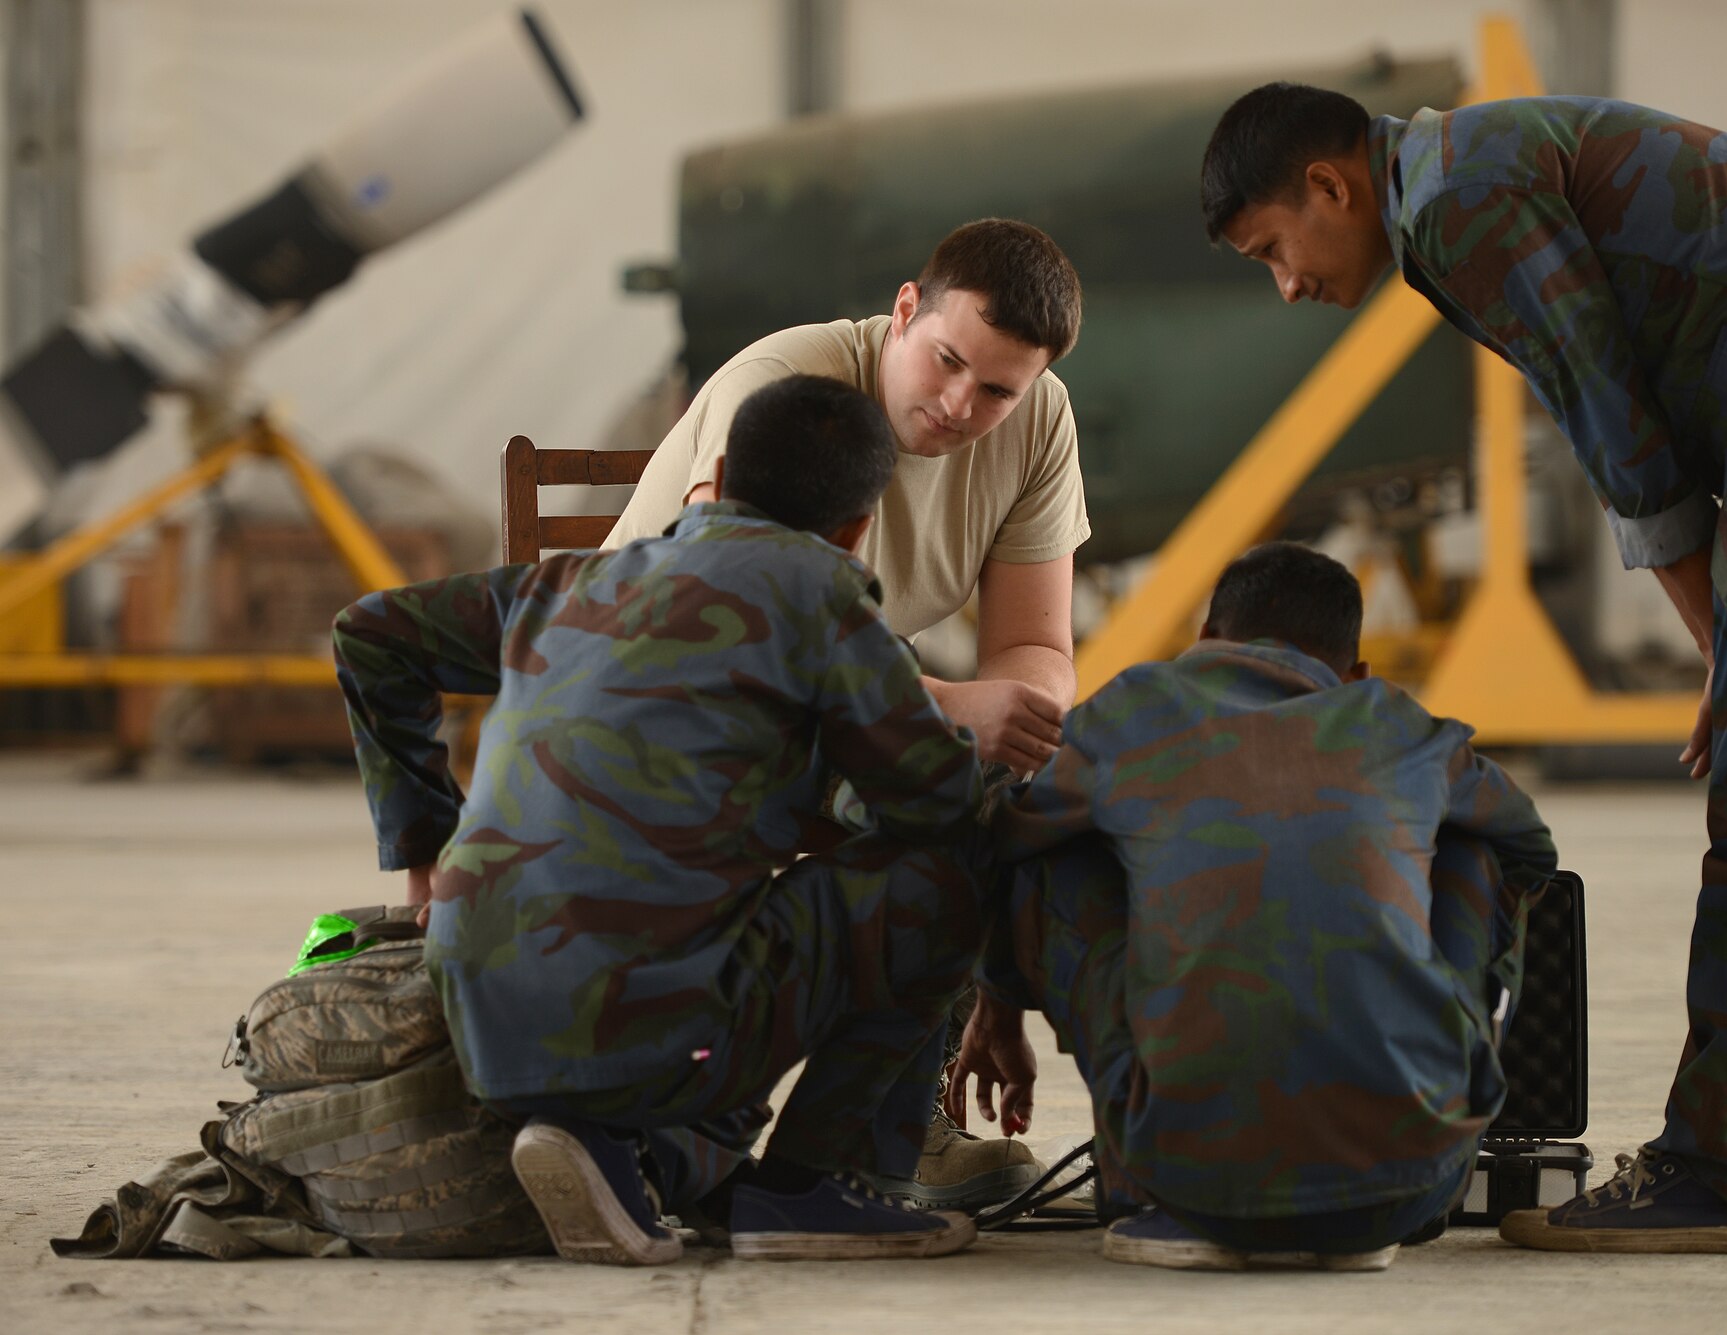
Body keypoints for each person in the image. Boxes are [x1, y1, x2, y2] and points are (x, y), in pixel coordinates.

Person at [1200, 85, 1727, 1253]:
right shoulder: (1462, 164)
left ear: (1329, 185)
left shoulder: (1455, 199)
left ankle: (1722, 1174)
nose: (1286, 285)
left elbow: (1608, 415)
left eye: (1272, 249)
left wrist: (1720, 638)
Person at [333, 374, 992, 1266]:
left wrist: (426, 847)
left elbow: (370, 633)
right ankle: (814, 1185)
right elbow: (938, 805)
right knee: (943, 885)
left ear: (710, 481)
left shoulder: (566, 582)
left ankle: (634, 1157)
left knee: (706, 930)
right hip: (651, 1030)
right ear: (856, 529)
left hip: (477, 1019)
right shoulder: (821, 591)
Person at [606, 216, 1087, 1208]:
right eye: (947, 361)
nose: (959, 405)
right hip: (687, 690)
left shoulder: (1039, 421)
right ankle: (758, 1144)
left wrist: (1016, 723)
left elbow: (1036, 646)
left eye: (997, 390)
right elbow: (744, 622)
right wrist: (945, 709)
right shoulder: (787, 389)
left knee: (993, 801)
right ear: (904, 311)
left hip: (844, 687)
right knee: (934, 824)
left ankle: (888, 1139)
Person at [952, 542, 1559, 1271]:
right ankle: (1421, 1105)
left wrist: (997, 1003)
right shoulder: (1397, 721)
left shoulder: (1133, 710)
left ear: (1206, 638)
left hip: (1185, 1182)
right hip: (1415, 1183)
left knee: (1052, 853)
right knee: (1476, 848)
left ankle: (1144, 1176)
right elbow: (1531, 846)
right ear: (1355, 673)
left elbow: (998, 846)